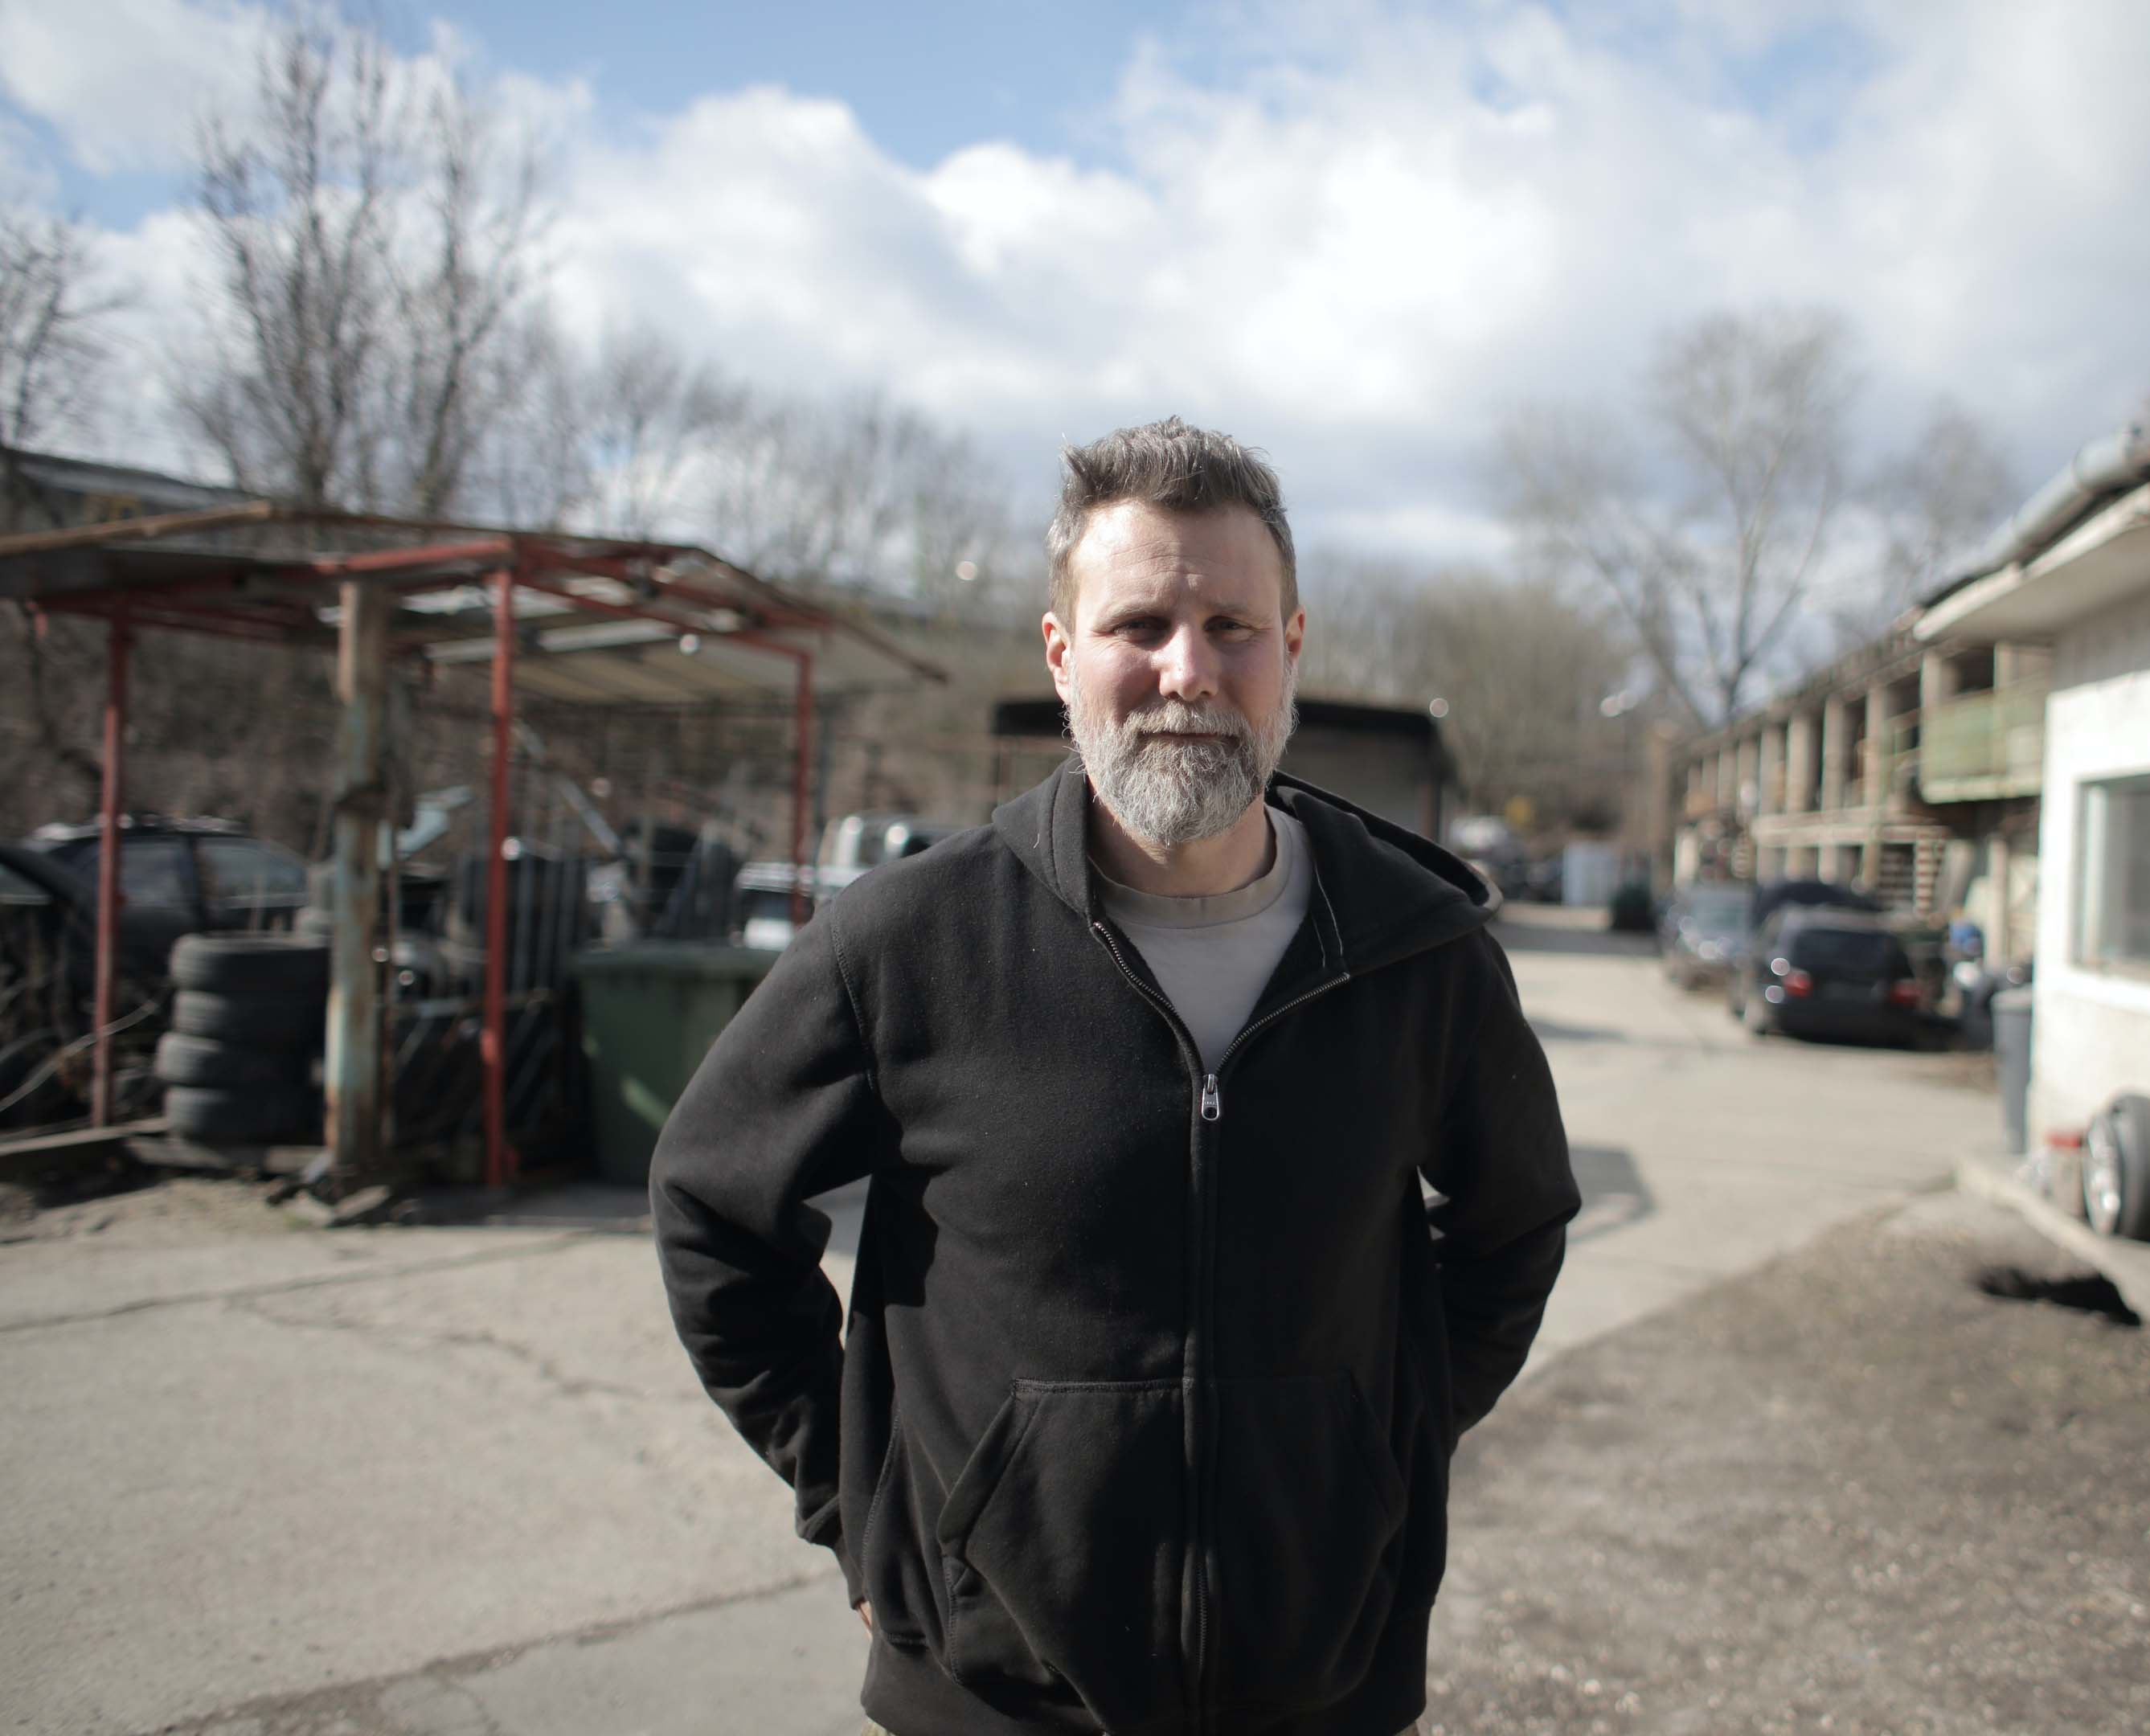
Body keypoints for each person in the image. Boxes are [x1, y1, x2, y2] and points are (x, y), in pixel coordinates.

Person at [652, 417, 1579, 1736]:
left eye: (1234, 629)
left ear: (1293, 649)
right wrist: (867, 1512)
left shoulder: (1419, 953)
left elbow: (1513, 1230)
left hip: (1322, 1691)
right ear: (1061, 654)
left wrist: (1372, 1464)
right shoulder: (908, 942)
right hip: (987, 1697)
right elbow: (711, 1212)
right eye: (1139, 624)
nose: (1186, 673)